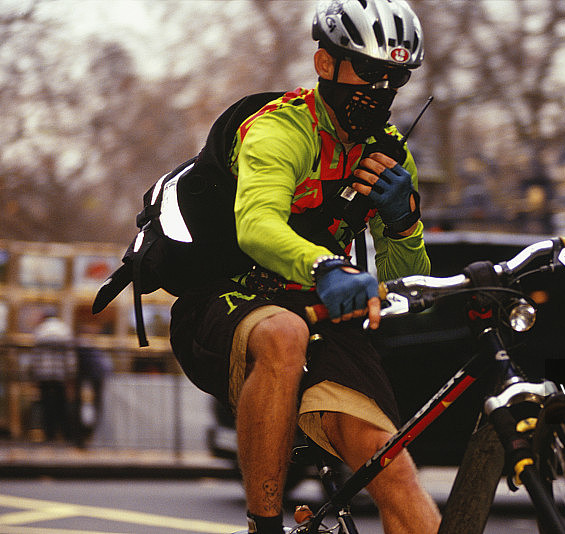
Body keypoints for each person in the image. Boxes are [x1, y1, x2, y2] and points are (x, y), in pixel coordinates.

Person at [168, 1, 440, 532]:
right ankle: (264, 525)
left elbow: (407, 288)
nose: (381, 89)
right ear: (324, 63)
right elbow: (256, 226)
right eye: (368, 71)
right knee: (283, 333)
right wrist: (325, 266)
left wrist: (404, 223)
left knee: (395, 473)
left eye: (396, 77)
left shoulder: (390, 154)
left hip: (315, 310)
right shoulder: (280, 130)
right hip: (224, 296)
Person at [31, 313, 76, 443]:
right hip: (60, 374)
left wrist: (35, 373)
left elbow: (36, 356)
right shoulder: (64, 330)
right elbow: (69, 356)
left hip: (44, 374)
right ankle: (66, 434)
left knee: (46, 404)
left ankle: (49, 434)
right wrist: (71, 373)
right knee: (62, 404)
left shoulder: (40, 331)